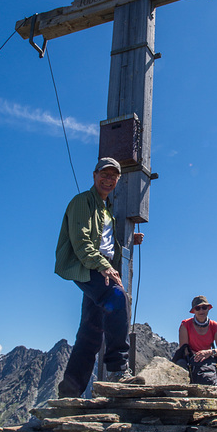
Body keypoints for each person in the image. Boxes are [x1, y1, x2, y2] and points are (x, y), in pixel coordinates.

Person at [55, 157, 143, 398]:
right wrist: (104, 267)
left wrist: (127, 241)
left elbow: (102, 241)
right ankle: (117, 369)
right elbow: (82, 242)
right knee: (117, 297)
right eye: (104, 174)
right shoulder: (82, 202)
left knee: (90, 332)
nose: (109, 179)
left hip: (97, 264)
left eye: (114, 176)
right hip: (89, 266)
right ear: (94, 176)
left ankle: (69, 393)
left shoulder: (106, 209)